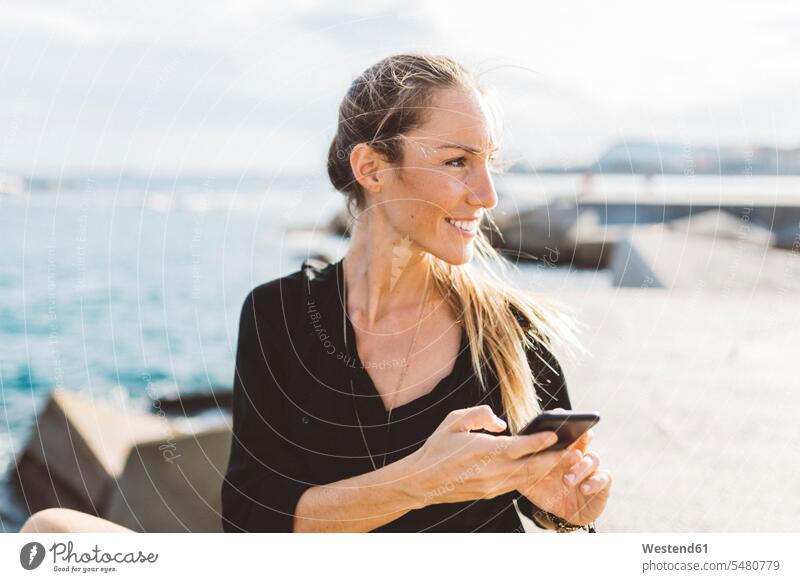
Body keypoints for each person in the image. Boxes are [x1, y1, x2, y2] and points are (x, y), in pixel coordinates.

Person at [220, 53, 612, 533]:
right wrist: (423, 480)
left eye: (488, 162)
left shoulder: (511, 329)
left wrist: (568, 516)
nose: (488, 195)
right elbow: (249, 523)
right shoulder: (276, 315)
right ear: (372, 169)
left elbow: (554, 513)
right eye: (457, 161)